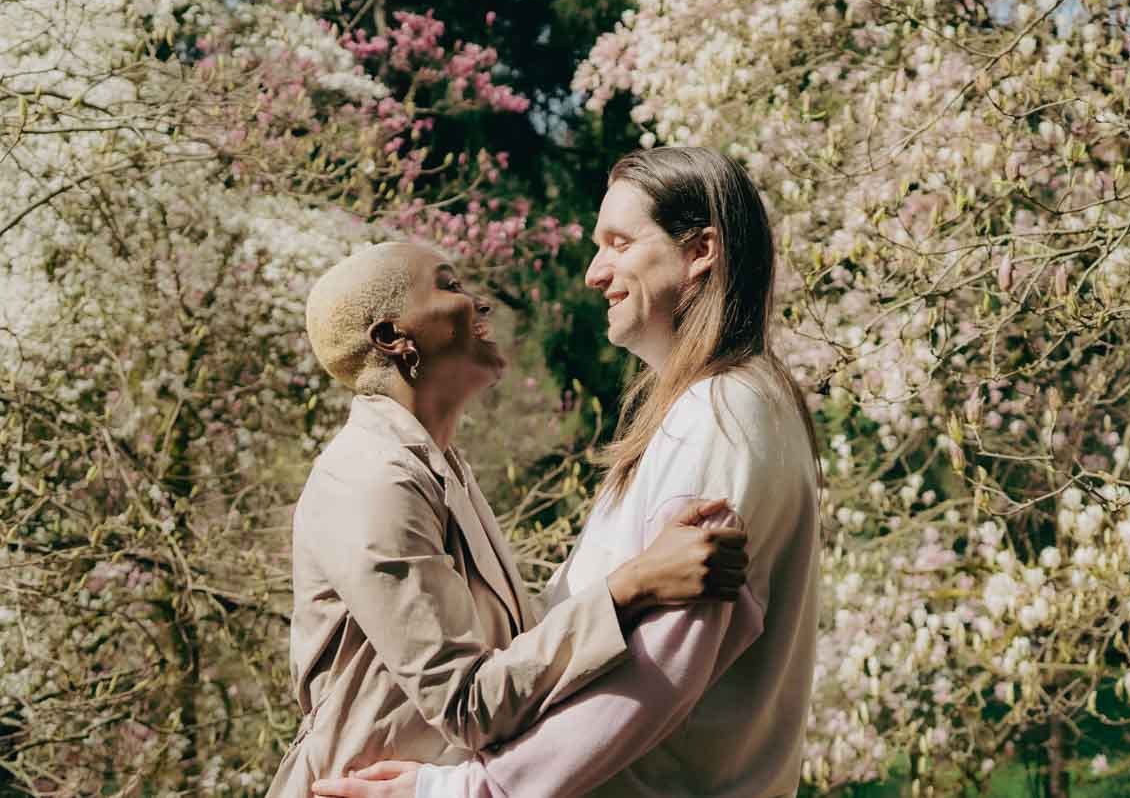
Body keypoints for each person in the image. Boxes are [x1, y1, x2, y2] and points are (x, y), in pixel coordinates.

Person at [313, 146, 821, 798]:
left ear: (700, 251)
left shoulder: (722, 412)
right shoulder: (705, 412)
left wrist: (469, 789)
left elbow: (662, 663)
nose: (592, 272)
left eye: (618, 243)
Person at [268, 241, 751, 798]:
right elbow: (467, 704)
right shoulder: (370, 480)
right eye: (449, 287)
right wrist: (634, 585)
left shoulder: (437, 466)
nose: (479, 303)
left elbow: (518, 644)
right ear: (391, 339)